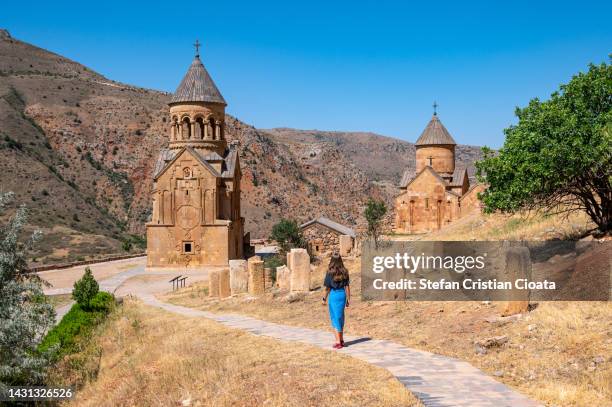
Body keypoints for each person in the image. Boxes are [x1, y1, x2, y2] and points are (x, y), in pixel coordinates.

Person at [322, 253, 350, 349]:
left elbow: (327, 288)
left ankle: (338, 341)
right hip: (342, 295)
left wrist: (324, 298)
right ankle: (341, 340)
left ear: (332, 261)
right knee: (340, 317)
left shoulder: (329, 272)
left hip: (333, 296)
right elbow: (347, 287)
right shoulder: (345, 272)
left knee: (335, 318)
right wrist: (348, 299)